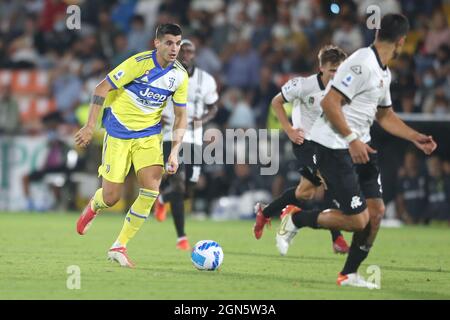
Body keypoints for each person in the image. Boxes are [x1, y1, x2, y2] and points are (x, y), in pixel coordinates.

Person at [275, 14, 437, 288]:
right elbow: (329, 103)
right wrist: (351, 139)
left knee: (376, 213)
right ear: (401, 41)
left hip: (360, 147)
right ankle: (296, 219)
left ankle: (348, 274)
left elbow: (385, 116)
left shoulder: (384, 72)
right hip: (335, 147)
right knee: (357, 220)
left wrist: (415, 137)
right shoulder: (361, 63)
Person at [74, 24, 188, 268]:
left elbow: (181, 116)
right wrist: (89, 126)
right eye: (169, 42)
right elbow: (101, 88)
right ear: (156, 43)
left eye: (178, 43)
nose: (174, 48)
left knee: (151, 189)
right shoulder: (138, 64)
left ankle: (119, 245)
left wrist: (175, 151)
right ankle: (95, 205)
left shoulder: (179, 76)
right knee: (111, 197)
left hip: (148, 135)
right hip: (118, 132)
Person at [253, 45, 350, 254]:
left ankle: (266, 211)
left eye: (339, 70)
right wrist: (288, 130)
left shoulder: (343, 90)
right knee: (329, 180)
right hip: (304, 143)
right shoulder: (304, 85)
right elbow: (276, 102)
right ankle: (337, 239)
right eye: (332, 69)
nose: (336, 74)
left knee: (304, 192)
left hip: (328, 144)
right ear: (322, 67)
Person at [154, 39, 219, 250]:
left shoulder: (206, 80)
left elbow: (213, 107)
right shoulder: (163, 74)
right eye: (183, 50)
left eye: (190, 51)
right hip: (170, 135)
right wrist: (156, 117)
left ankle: (162, 198)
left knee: (189, 189)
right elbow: (151, 99)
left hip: (195, 137)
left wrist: (204, 120)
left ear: (194, 55)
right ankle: (181, 237)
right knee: (178, 182)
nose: (186, 54)